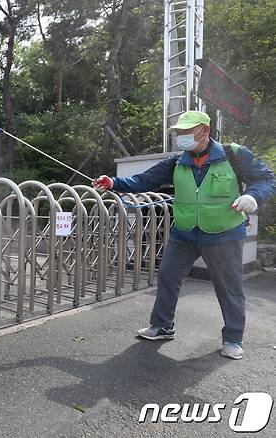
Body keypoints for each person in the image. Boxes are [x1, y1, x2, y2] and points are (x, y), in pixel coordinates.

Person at [93, 110, 276, 360]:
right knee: (167, 276)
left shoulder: (234, 154)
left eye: (187, 132)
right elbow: (144, 180)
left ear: (205, 131)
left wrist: (253, 196)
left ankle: (233, 338)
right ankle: (162, 326)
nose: (181, 136)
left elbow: (267, 179)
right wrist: (113, 183)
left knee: (229, 287)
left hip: (224, 233)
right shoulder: (177, 161)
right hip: (185, 232)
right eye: (179, 132)